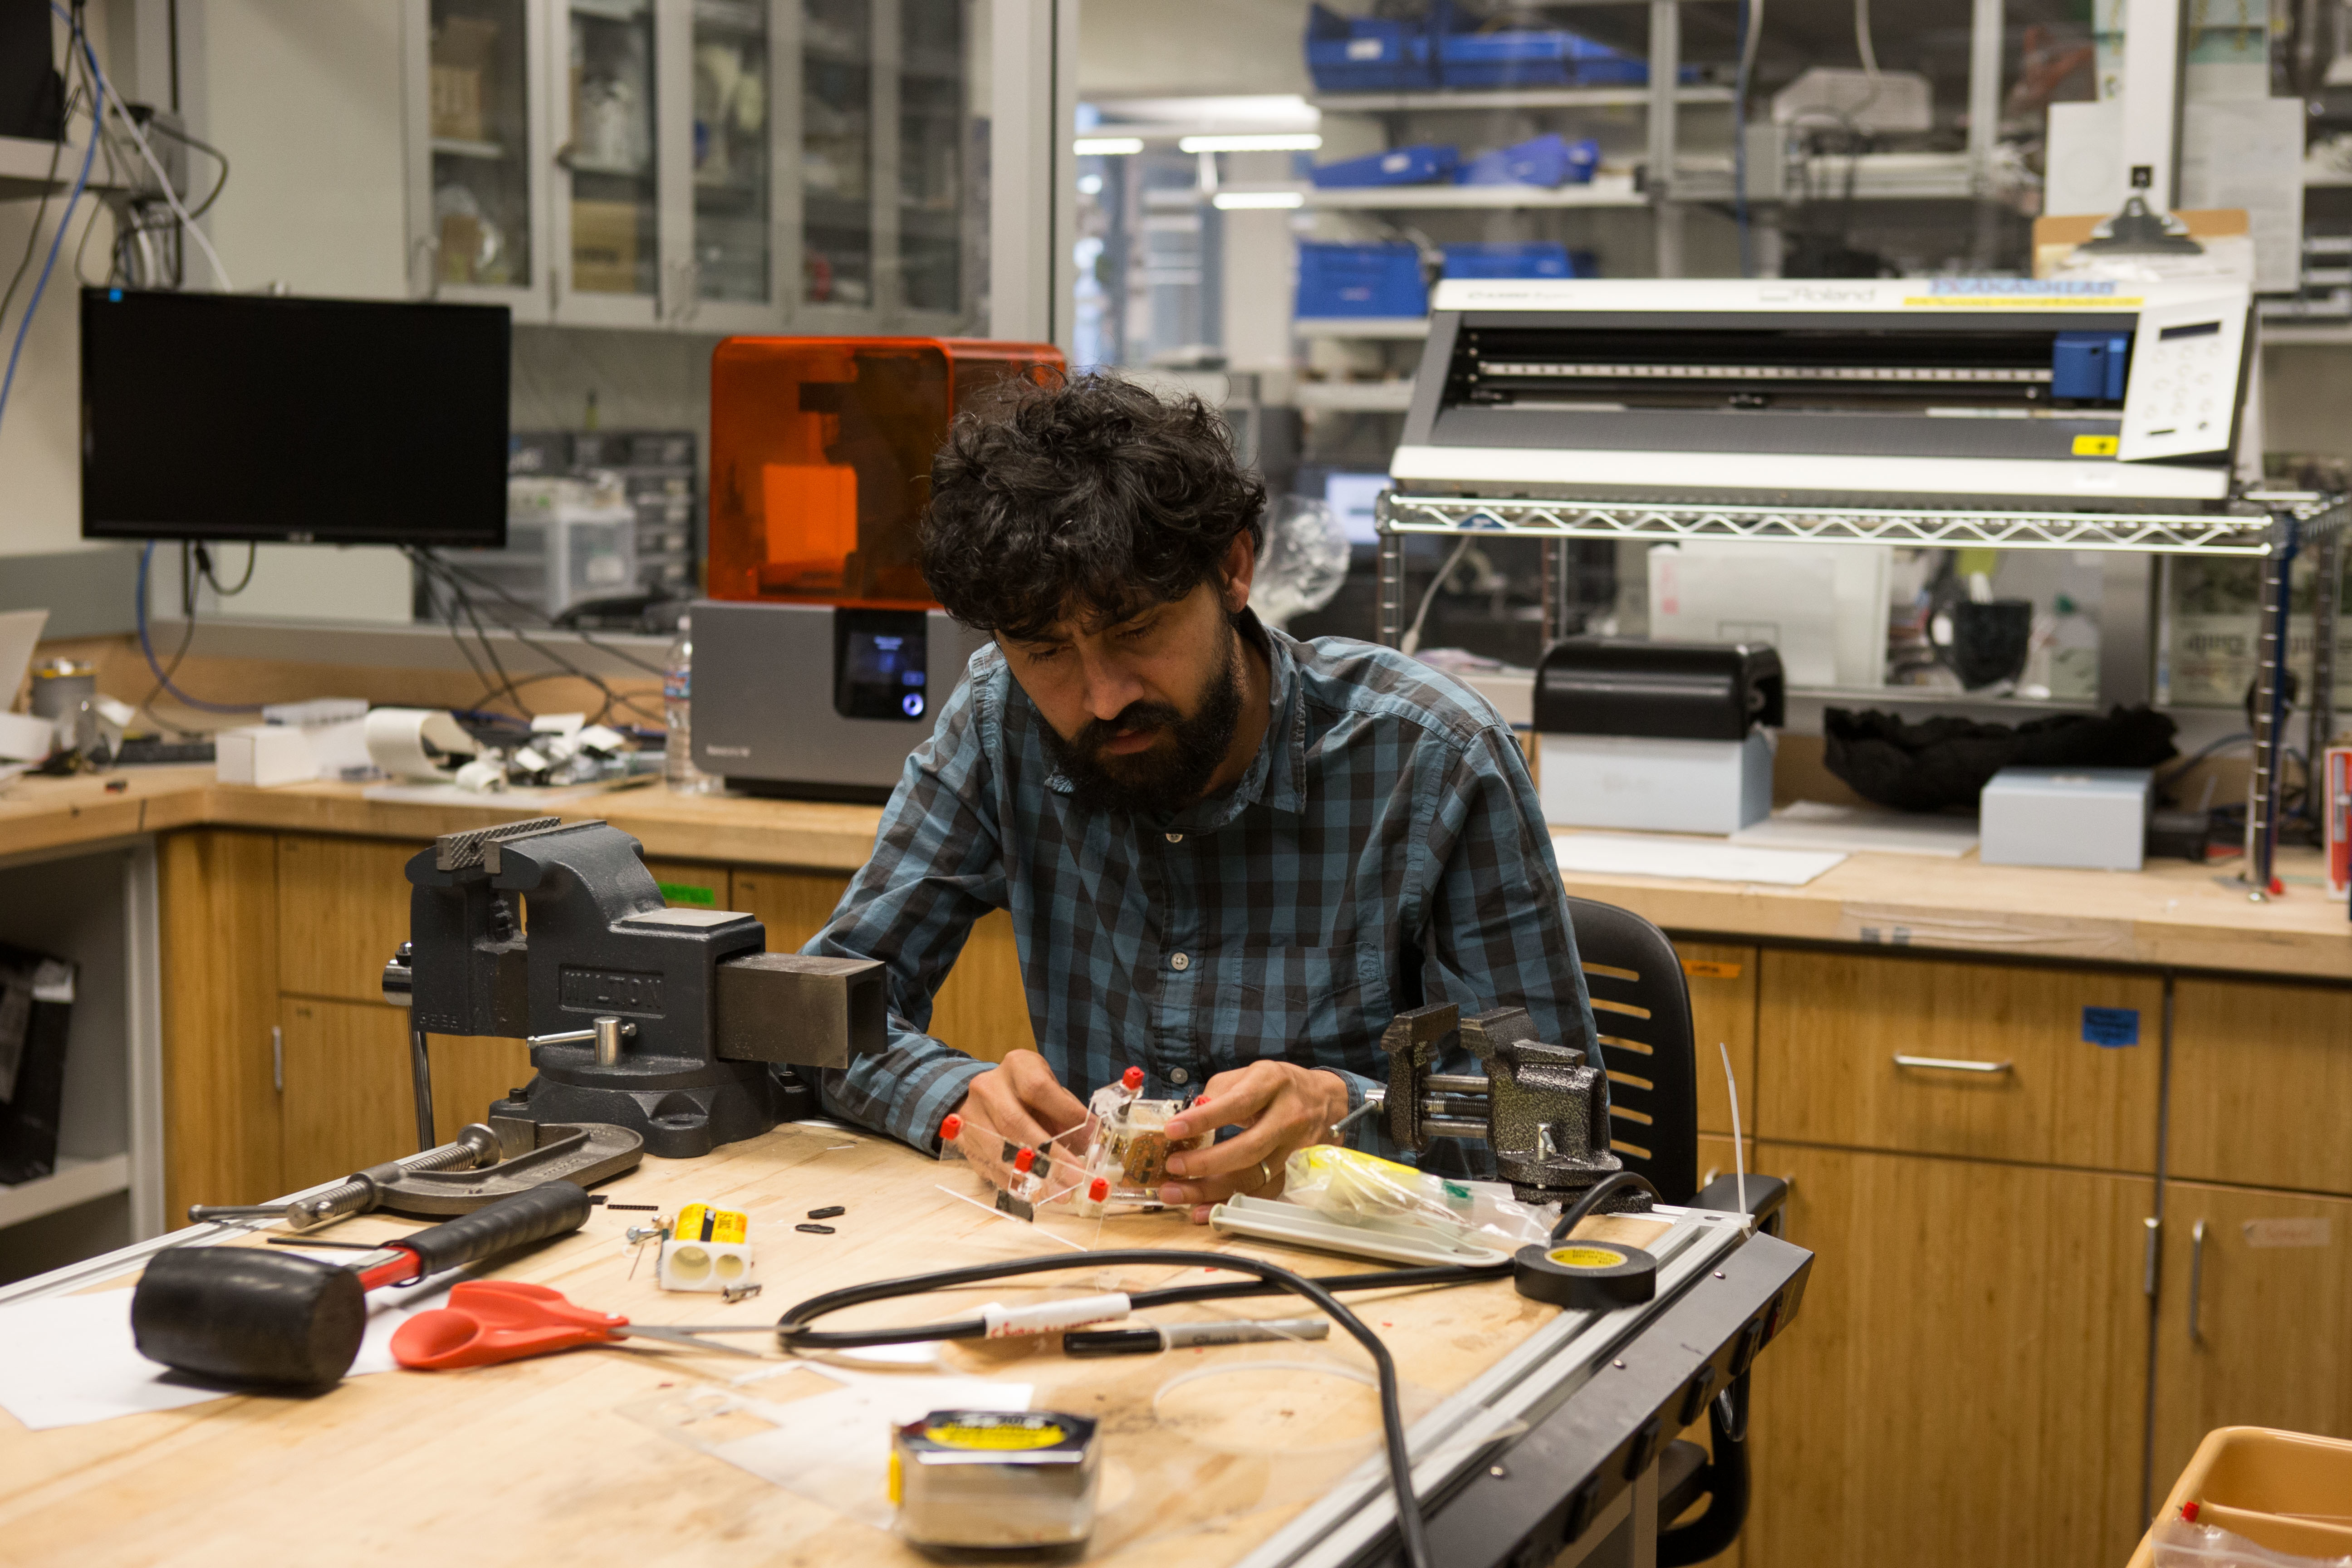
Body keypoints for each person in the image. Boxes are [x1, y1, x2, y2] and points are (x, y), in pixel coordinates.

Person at [804, 373, 1596, 1220]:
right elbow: (817, 1014)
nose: (1103, 697)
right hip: (1097, 1259)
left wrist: (1347, 1112)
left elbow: (1555, 1124)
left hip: (1368, 1279)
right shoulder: (1003, 722)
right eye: (1045, 653)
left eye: (1136, 631)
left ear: (1233, 569)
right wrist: (958, 1103)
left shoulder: (1432, 758)